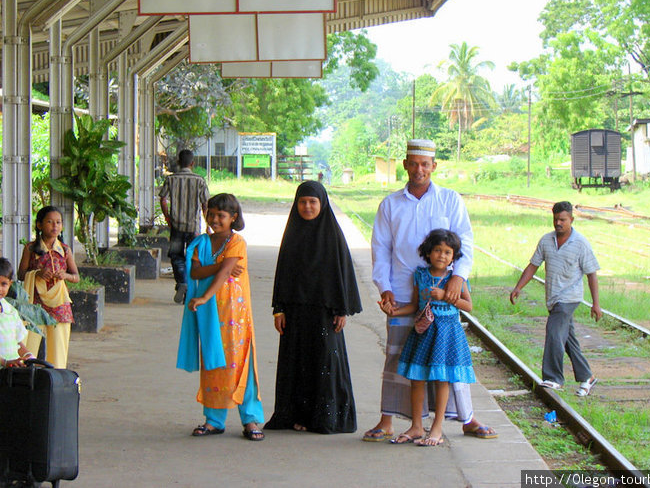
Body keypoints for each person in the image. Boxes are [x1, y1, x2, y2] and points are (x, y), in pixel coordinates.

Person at [365, 138, 497, 442]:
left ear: (434, 166)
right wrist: (385, 289)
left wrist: (458, 278)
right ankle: (388, 420)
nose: (419, 169)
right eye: (414, 163)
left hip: (444, 298)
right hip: (402, 292)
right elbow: (381, 250)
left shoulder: (450, 200)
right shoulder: (390, 204)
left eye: (425, 164)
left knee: (447, 359)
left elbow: (466, 241)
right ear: (405, 165)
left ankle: (466, 418)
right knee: (398, 358)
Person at [265, 181, 361, 434]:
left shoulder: (332, 235)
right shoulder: (292, 233)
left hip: (324, 313)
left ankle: (325, 418)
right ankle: (296, 415)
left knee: (324, 362)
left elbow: (343, 275)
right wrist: (279, 308)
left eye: (312, 202)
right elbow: (283, 273)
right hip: (295, 313)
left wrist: (342, 310)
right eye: (303, 202)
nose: (307, 207)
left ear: (322, 204)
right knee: (296, 363)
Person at [176, 193, 265, 441]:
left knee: (241, 365)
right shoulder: (200, 243)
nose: (215, 219)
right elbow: (195, 271)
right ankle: (214, 420)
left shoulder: (237, 242)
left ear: (233, 218)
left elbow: (226, 272)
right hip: (210, 317)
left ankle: (250, 419)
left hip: (235, 316)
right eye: (211, 214)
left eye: (221, 216)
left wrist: (204, 296)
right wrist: (221, 265)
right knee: (213, 363)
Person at [379, 229, 476, 446]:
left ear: (454, 256)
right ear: (428, 253)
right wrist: (394, 311)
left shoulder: (456, 279)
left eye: (448, 252)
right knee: (417, 379)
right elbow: (415, 306)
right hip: (423, 333)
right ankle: (416, 426)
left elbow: (468, 306)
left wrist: (446, 297)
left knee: (442, 380)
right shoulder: (420, 275)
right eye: (437, 250)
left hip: (447, 334)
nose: (442, 256)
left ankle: (437, 429)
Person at [509, 201, 601, 396]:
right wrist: (518, 287)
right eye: (555, 219)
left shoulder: (581, 244)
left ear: (571, 220)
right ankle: (587, 376)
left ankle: (553, 378)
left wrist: (596, 304)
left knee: (553, 331)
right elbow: (533, 265)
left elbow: (591, 273)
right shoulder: (546, 241)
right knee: (567, 339)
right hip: (553, 296)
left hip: (569, 298)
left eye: (563, 220)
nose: (558, 223)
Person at [18, 206, 79, 369]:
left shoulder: (65, 250)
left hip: (60, 304)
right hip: (35, 303)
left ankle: (55, 382)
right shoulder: (30, 248)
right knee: (27, 346)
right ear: (39, 225)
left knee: (58, 351)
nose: (55, 226)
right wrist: (37, 274)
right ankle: (24, 379)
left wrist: (65, 276)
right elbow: (21, 274)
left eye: (58, 222)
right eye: (50, 222)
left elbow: (76, 277)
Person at [160, 149, 209, 304]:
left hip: (176, 226)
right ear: (192, 163)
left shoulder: (171, 179)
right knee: (194, 258)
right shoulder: (200, 180)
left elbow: (163, 199)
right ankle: (191, 288)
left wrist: (167, 216)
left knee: (176, 256)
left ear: (178, 162)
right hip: (193, 227)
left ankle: (182, 283)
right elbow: (205, 204)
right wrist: (207, 224)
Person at [0, 258, 35, 368]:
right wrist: (4, 362)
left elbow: (18, 342)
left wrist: (29, 356)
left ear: (10, 284)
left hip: (10, 373)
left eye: (3, 284)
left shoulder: (10, 311)